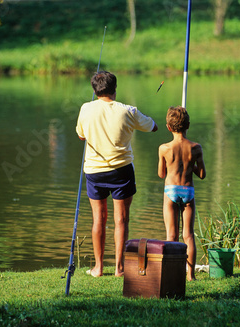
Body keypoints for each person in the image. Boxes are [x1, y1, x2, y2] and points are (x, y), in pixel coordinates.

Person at [76, 71, 158, 277]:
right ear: (115, 88)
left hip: (94, 172)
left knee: (98, 219)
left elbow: (80, 135)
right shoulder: (128, 110)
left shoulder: (86, 108)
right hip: (121, 171)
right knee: (121, 220)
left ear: (95, 90)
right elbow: (153, 127)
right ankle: (119, 268)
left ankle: (98, 268)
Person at [158, 106, 206, 281]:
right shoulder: (196, 147)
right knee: (188, 234)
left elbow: (161, 174)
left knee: (171, 235)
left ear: (168, 127)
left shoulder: (163, 148)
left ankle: (170, 273)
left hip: (170, 190)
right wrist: (189, 163)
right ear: (188, 125)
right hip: (188, 191)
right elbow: (202, 174)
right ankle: (191, 275)